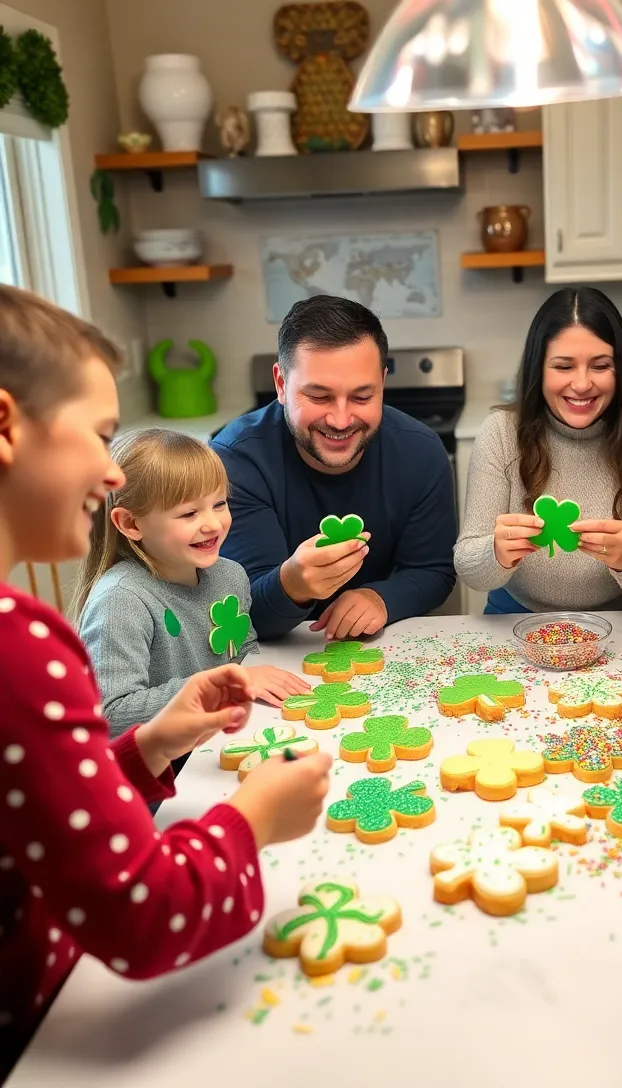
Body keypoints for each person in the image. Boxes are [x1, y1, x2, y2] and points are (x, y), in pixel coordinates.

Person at [0, 286, 332, 1076]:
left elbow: (48, 817)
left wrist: (149, 744)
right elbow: (139, 915)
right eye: (100, 434)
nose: (109, 471)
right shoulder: (18, 644)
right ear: (6, 424)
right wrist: (252, 819)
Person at [212, 295, 456, 641]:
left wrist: (382, 598)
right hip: (272, 660)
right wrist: (292, 584)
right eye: (319, 396)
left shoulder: (421, 451)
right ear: (281, 384)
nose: (341, 420)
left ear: (382, 383)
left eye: (361, 397)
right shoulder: (234, 462)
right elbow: (241, 612)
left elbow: (433, 570)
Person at [76, 429, 309, 738]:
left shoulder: (230, 575)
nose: (213, 524)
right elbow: (111, 715)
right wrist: (227, 683)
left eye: (220, 504)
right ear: (131, 524)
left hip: (219, 744)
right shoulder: (121, 600)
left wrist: (244, 678)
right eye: (189, 513)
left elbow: (245, 655)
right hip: (159, 773)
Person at [454, 287, 622, 613]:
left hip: (621, 621)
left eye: (600, 365)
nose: (581, 384)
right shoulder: (500, 433)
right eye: (563, 367)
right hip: (514, 615)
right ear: (538, 369)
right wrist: (495, 552)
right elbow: (468, 568)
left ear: (620, 369)